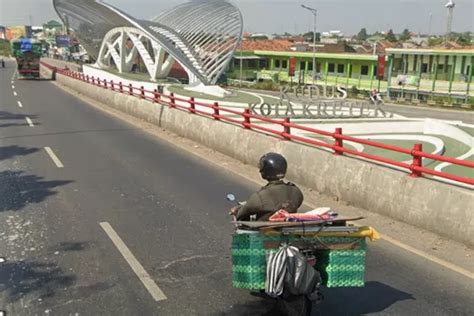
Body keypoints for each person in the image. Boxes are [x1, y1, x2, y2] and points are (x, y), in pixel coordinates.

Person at [231, 152, 304, 221]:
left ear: (265, 170)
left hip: (263, 232)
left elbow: (241, 214)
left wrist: (237, 210)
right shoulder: (296, 192)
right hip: (288, 230)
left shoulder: (260, 196)